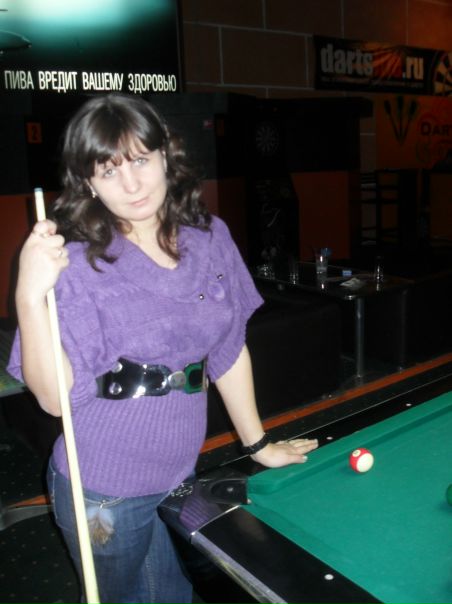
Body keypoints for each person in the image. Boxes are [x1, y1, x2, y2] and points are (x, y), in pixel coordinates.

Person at [8, 93, 318, 604]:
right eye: (109, 171)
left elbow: (228, 349)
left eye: (140, 160)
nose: (131, 184)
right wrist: (28, 293)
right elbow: (53, 398)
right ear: (89, 182)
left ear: (165, 156)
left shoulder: (210, 238)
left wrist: (258, 444)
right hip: (103, 489)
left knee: (171, 595)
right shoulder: (76, 263)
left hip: (179, 473)